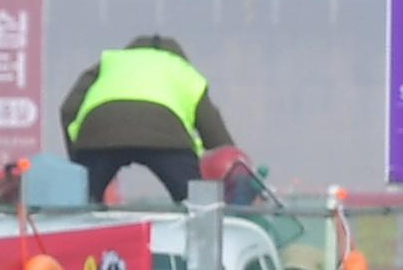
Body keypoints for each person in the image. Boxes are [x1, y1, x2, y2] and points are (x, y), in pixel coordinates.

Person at [56, 33, 263, 204]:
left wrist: (80, 158)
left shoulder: (110, 62)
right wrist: (234, 174)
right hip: (167, 138)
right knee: (198, 208)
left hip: (99, 133)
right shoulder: (183, 70)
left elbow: (68, 109)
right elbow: (216, 138)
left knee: (82, 206)